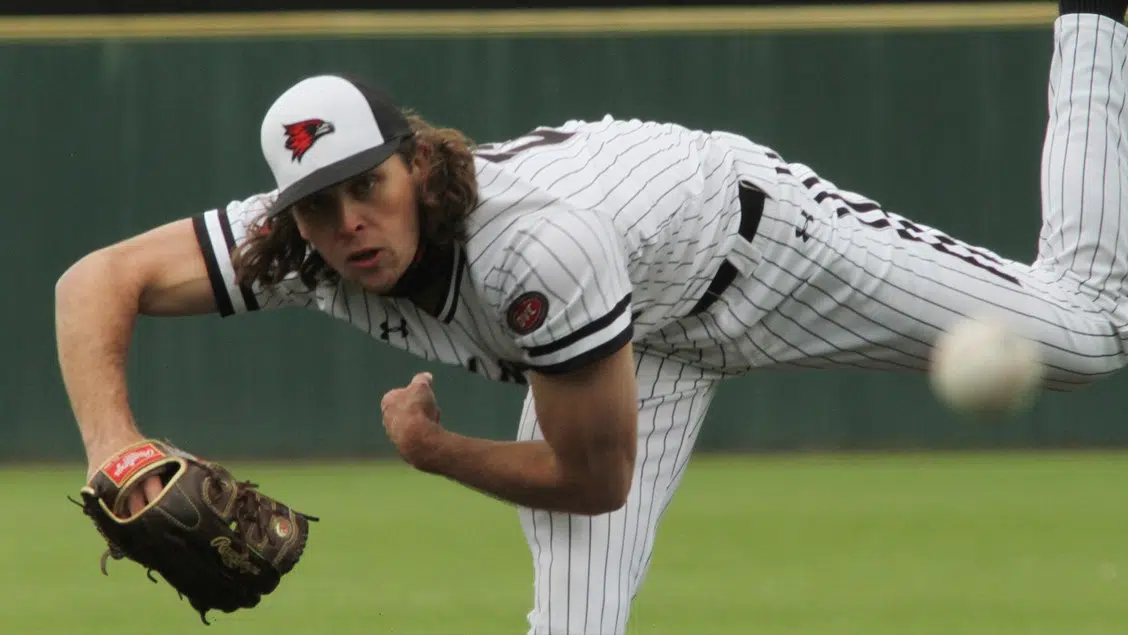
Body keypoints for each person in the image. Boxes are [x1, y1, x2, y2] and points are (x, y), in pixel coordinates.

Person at [55, 3, 1128, 633]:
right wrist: (116, 449)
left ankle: (1096, 21)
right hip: (629, 342)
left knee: (1086, 334)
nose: (349, 222)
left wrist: (435, 449)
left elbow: (595, 476)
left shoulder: (530, 243)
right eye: (317, 206)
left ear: (417, 162)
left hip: (758, 251)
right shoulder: (306, 243)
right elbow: (93, 280)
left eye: (366, 184)